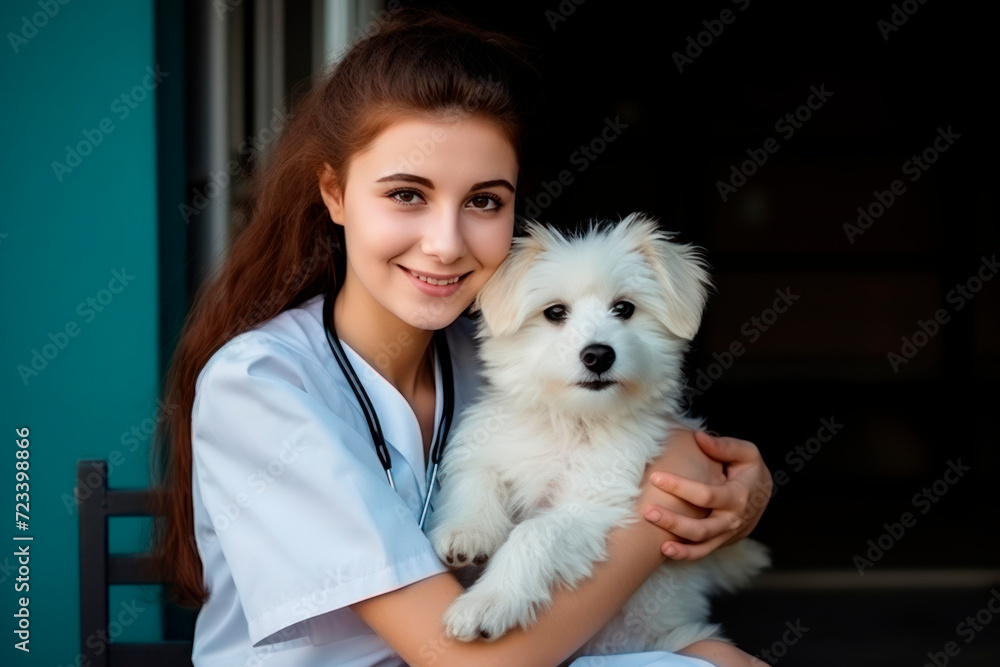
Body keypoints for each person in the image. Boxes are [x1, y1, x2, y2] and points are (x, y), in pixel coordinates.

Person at [151, 8, 773, 666]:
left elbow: (651, 437)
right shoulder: (264, 387)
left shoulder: (500, 350)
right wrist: (667, 505)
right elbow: (465, 660)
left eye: (483, 201)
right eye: (407, 195)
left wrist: (735, 491)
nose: (446, 244)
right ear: (334, 193)